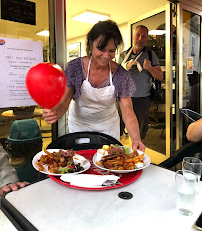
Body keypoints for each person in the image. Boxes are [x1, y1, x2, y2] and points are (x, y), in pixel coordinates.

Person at [43, 20, 145, 151]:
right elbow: (64, 103)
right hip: (79, 125)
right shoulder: (75, 68)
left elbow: (128, 112)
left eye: (112, 51)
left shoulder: (120, 75)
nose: (106, 55)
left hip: (108, 127)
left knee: (108, 163)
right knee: (80, 162)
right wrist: (54, 112)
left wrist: (136, 139)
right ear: (91, 43)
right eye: (101, 49)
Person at [119, 25, 163, 143]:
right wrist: (124, 68)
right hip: (123, 99)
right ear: (133, 36)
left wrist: (150, 68)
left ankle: (137, 159)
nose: (140, 38)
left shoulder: (150, 54)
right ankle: (117, 159)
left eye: (143, 36)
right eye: (138, 35)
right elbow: (114, 77)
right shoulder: (123, 55)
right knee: (117, 130)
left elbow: (160, 76)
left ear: (146, 39)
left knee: (139, 134)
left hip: (142, 100)